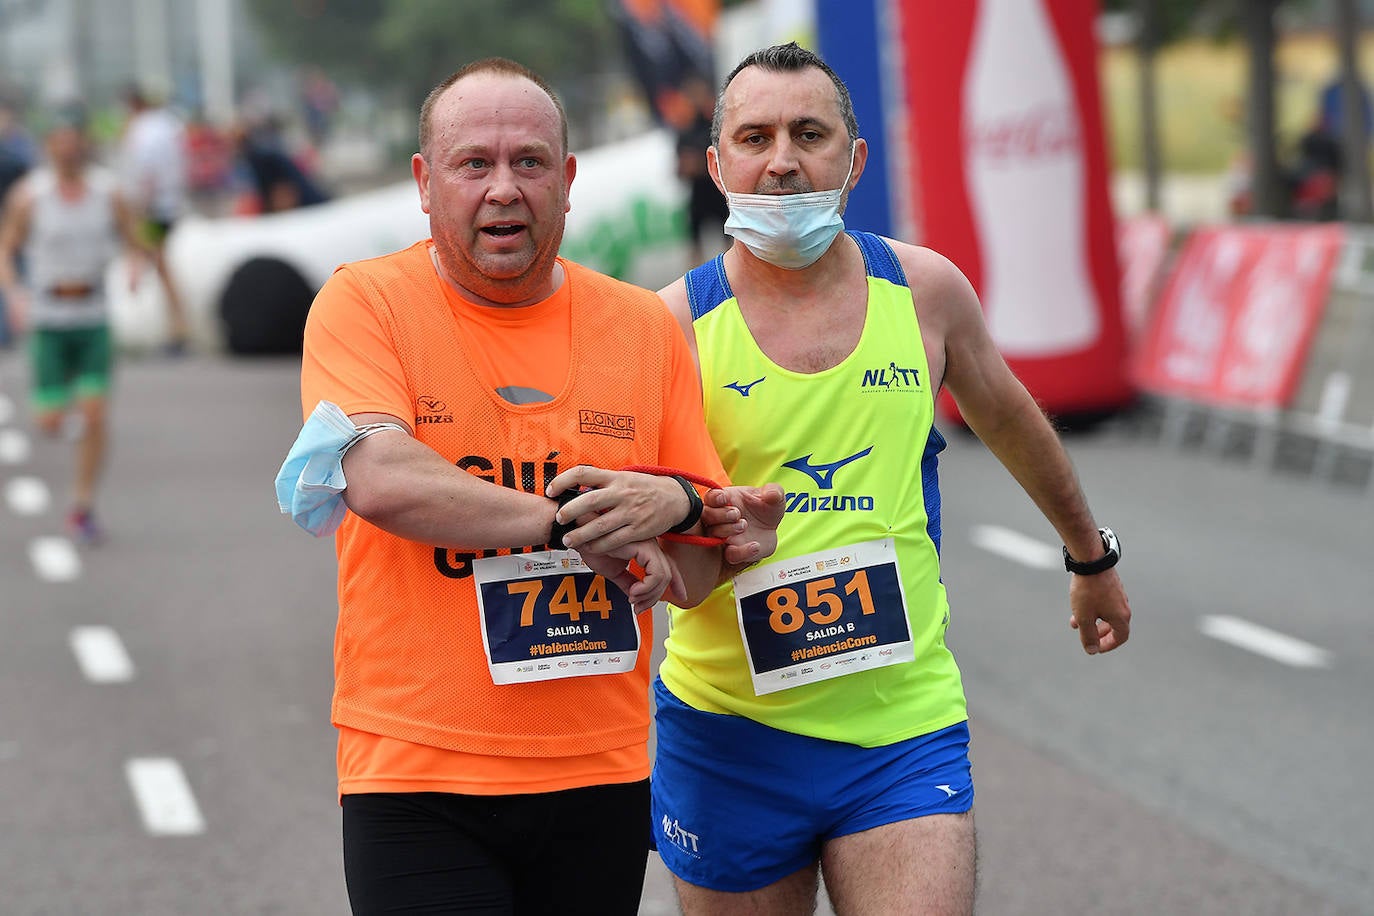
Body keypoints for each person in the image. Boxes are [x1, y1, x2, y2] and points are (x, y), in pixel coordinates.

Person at [277, 57, 778, 915]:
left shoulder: (642, 329)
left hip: (600, 772)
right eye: (474, 164)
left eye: (530, 162)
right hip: (417, 770)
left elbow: (686, 575)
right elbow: (380, 479)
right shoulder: (365, 306)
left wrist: (719, 536)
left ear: (569, 180)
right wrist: (573, 523)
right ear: (425, 184)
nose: (503, 188)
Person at [642, 43, 1133, 915]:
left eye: (810, 133)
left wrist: (1089, 559)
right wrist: (692, 544)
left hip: (901, 723)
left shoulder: (926, 291)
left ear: (855, 159)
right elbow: (647, 524)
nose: (784, 160)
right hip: (729, 733)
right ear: (717, 165)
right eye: (754, 137)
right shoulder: (670, 327)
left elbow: (1014, 421)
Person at [0, 107, 153, 544]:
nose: (68, 150)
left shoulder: (109, 193)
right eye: (60, 143)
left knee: (95, 413)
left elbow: (135, 239)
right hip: (49, 320)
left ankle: (82, 504)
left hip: (91, 319)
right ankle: (60, 413)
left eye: (75, 142)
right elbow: (6, 249)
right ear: (49, 147)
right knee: (50, 420)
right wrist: (14, 294)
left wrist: (136, 265)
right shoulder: (30, 196)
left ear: (85, 145)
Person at [119, 84, 191, 353]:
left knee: (157, 265)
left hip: (153, 209)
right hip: (169, 205)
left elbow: (144, 175)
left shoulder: (144, 131)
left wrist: (137, 211)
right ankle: (174, 328)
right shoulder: (168, 125)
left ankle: (177, 330)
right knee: (157, 265)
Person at [674, 74, 729, 267]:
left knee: (730, 242)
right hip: (697, 196)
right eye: (692, 95)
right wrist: (689, 167)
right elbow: (678, 170)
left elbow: (725, 162)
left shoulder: (716, 128)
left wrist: (698, 164)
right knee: (695, 246)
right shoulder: (684, 132)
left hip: (718, 194)